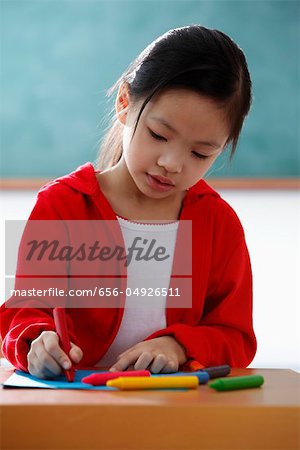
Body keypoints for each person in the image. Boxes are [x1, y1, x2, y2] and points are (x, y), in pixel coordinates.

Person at [0, 25, 256, 379]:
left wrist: (179, 345)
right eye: (158, 135)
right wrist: (35, 342)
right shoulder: (64, 206)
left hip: (175, 413)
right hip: (74, 411)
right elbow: (22, 313)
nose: (172, 163)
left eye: (201, 153)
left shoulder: (218, 223)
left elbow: (236, 337)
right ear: (124, 103)